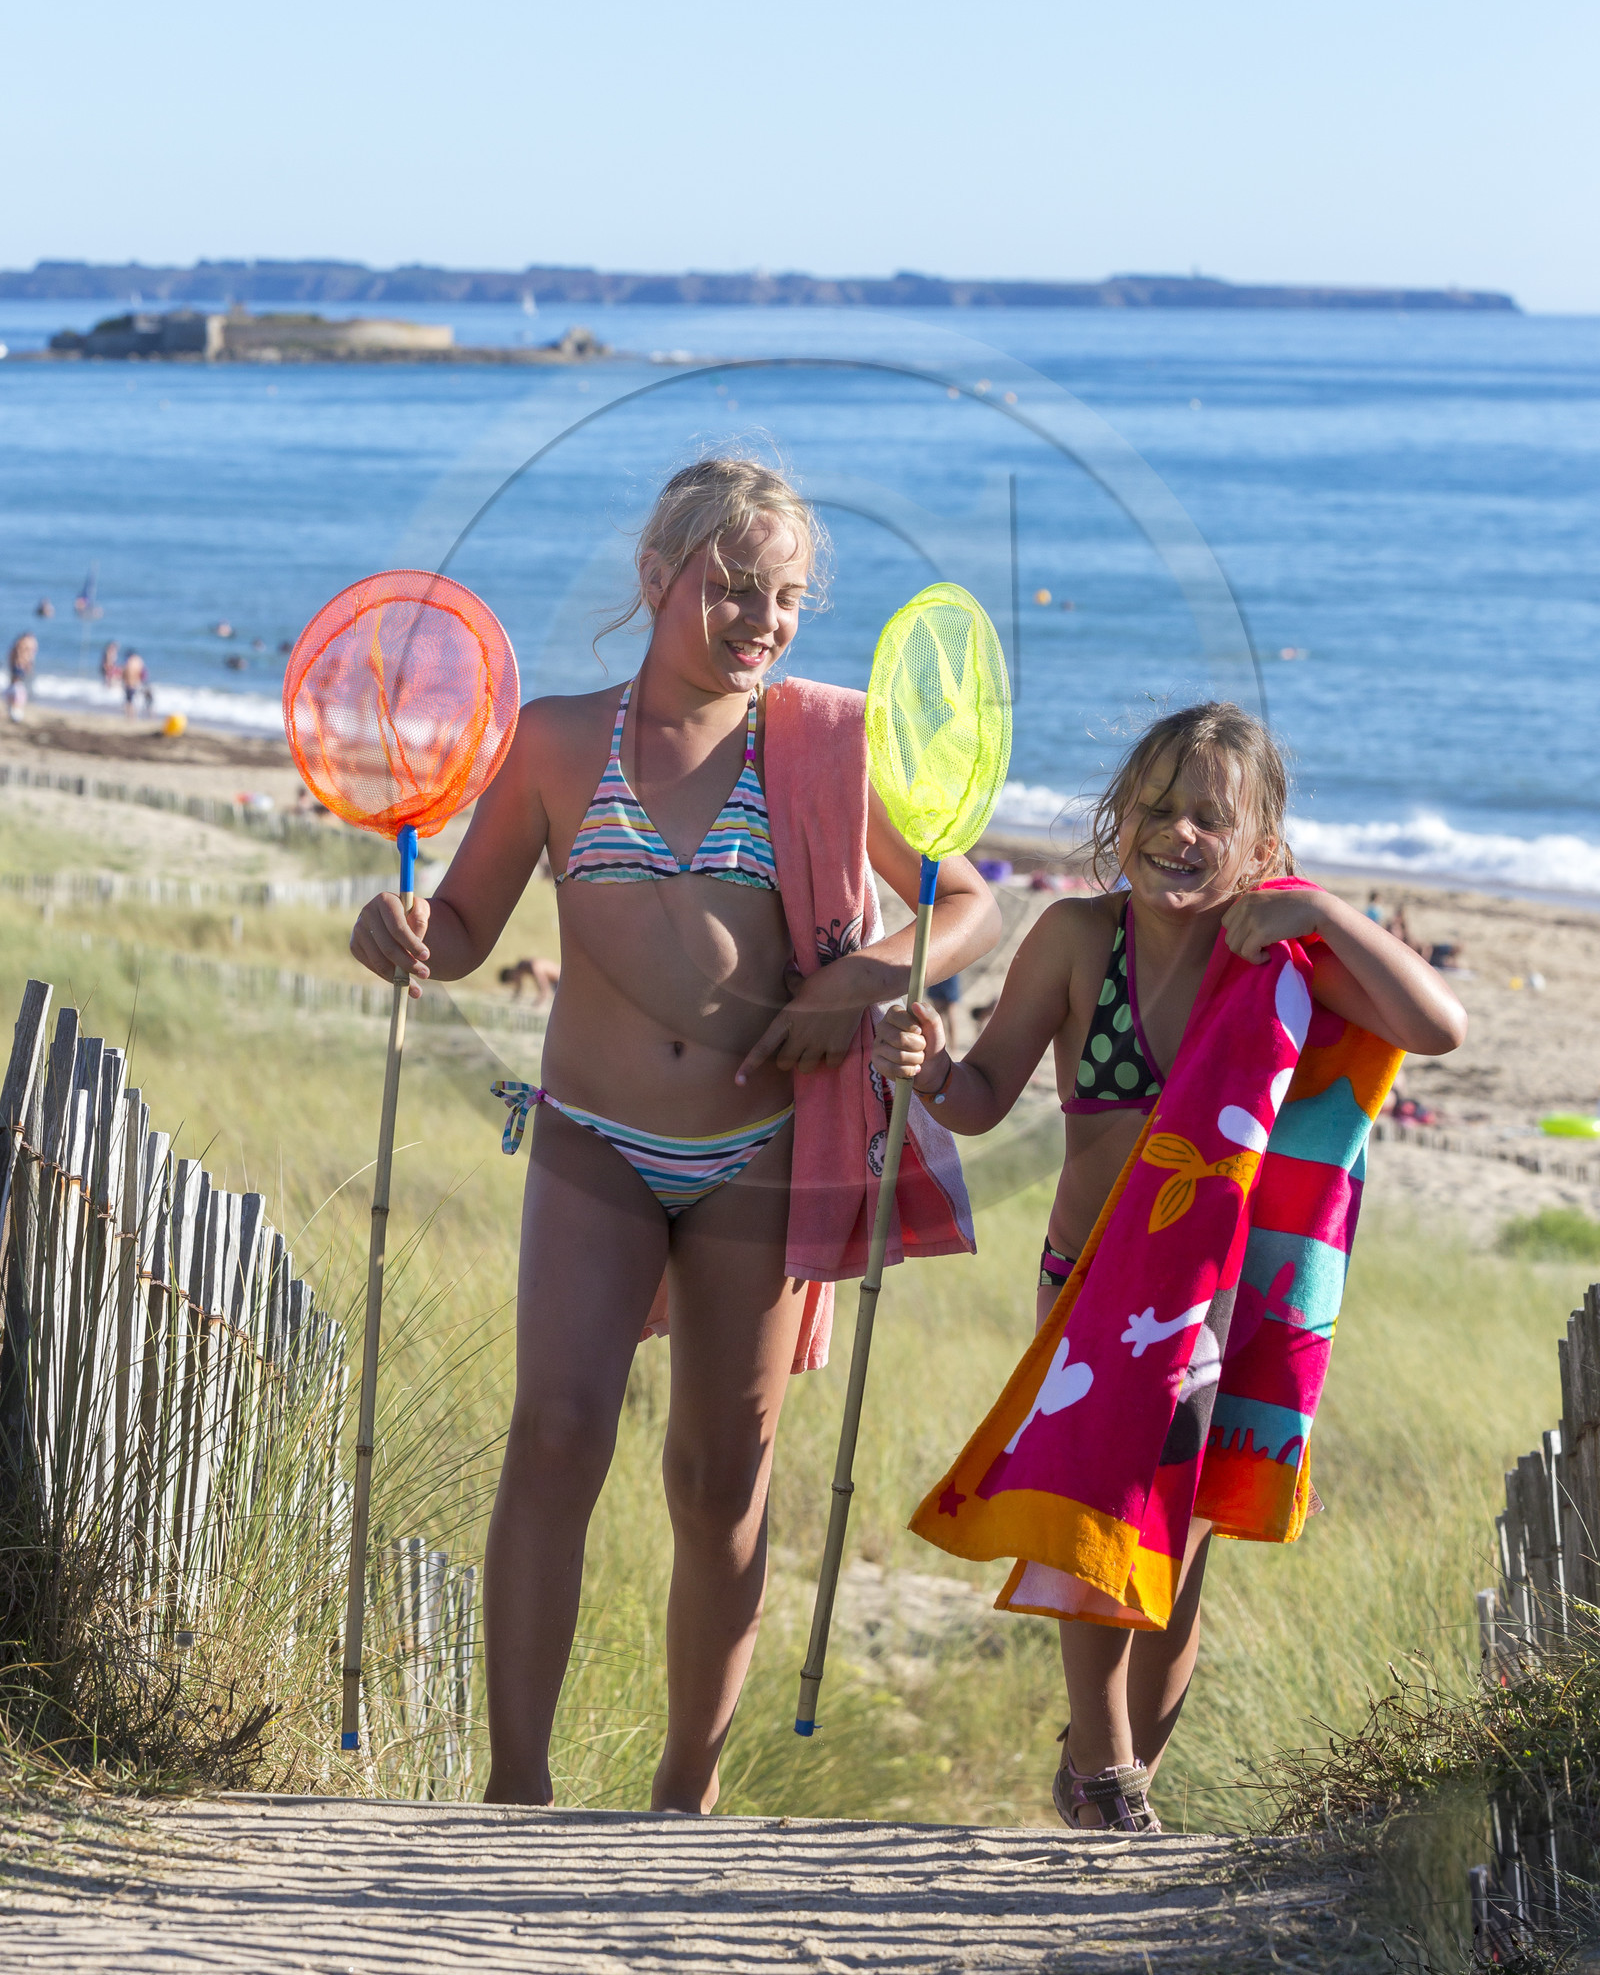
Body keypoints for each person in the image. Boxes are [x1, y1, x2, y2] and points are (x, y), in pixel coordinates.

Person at [350, 457, 999, 1812]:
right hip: (593, 1140)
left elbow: (966, 905)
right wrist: (401, 931)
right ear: (657, 578)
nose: (763, 620)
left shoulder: (826, 743)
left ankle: (683, 1794)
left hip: (758, 1158)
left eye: (787, 597)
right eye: (733, 588)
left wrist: (857, 979)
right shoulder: (555, 742)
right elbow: (461, 928)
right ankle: (517, 1791)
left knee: (719, 1483)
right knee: (554, 1435)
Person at [872, 700, 1465, 1832]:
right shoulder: (1074, 938)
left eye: (1208, 817)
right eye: (1153, 806)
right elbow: (982, 1097)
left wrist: (1323, 911)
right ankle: (1105, 1775)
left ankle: (1118, 1771)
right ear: (1117, 818)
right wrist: (933, 1070)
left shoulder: (1280, 960)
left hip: (1218, 1301)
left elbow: (1437, 1028)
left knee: (1174, 1562)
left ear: (1261, 848)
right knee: (1095, 1514)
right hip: (1093, 1286)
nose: (1176, 832)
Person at [7, 631, 37, 724]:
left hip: (20, 667)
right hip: (19, 666)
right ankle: (15, 711)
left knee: (17, 686)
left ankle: (14, 710)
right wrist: (22, 663)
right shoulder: (22, 644)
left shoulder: (21, 644)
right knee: (17, 687)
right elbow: (18, 655)